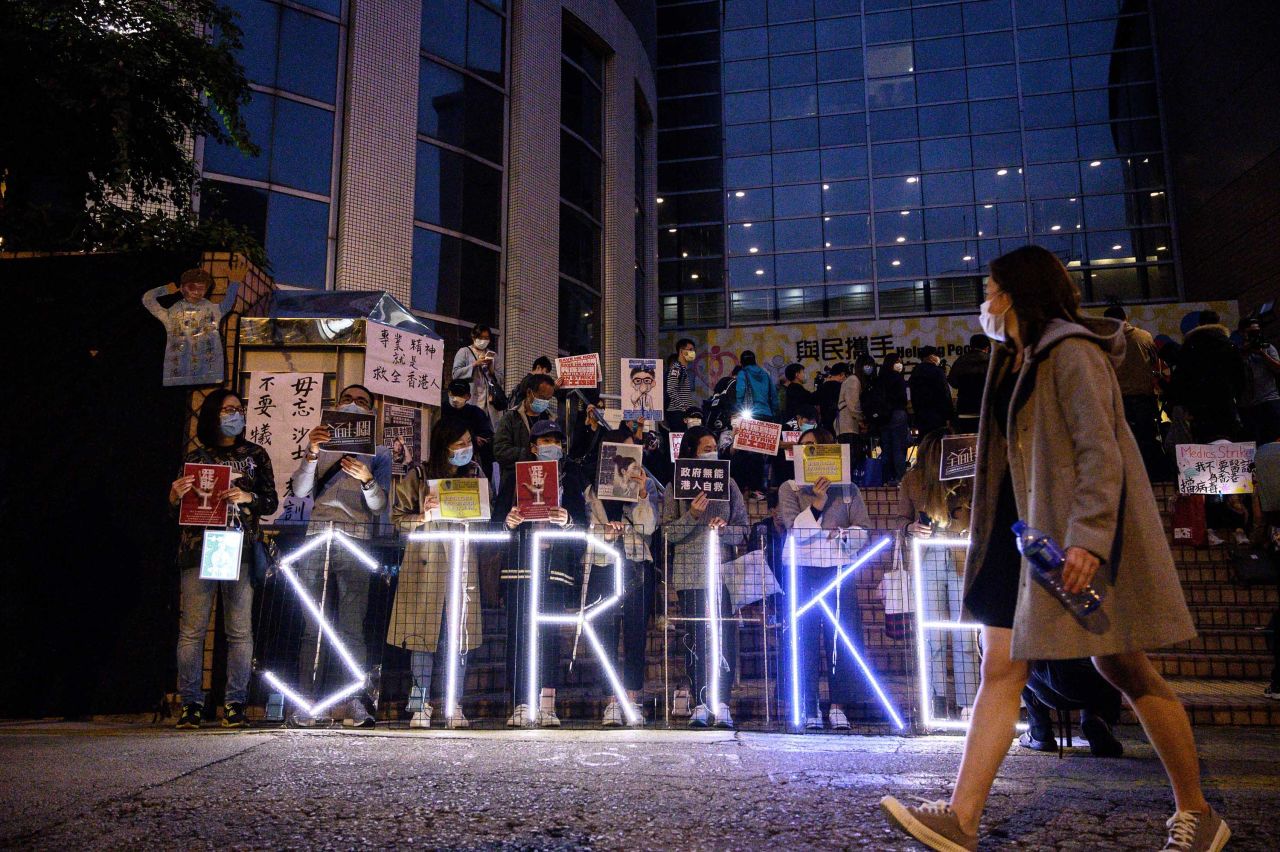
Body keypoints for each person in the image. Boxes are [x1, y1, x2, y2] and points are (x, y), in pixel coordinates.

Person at [882, 245, 1227, 852]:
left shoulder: (1070, 352)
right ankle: (961, 821)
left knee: (1125, 668)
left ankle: (1198, 813)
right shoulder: (1011, 360)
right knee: (1001, 669)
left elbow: (1101, 451)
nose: (984, 304)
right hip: (1021, 537)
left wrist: (1090, 538)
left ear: (1015, 293)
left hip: (1069, 540)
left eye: (990, 291)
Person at [169, 389, 278, 729]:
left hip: (239, 546)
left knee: (239, 631)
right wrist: (175, 496)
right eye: (229, 409)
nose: (236, 414)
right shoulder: (196, 454)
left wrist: (249, 496)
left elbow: (271, 502)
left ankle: (235, 704)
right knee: (192, 631)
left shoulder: (255, 454)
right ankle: (190, 704)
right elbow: (178, 510)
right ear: (214, 414)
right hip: (198, 547)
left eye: (239, 409)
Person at [288, 384, 394, 727]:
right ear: (335, 406)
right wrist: (312, 452)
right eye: (347, 400)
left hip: (356, 540)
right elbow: (301, 490)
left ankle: (354, 701)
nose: (354, 405)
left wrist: (367, 480)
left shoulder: (379, 452)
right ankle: (307, 702)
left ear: (372, 412)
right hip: (317, 536)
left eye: (362, 402)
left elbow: (380, 506)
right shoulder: (320, 442)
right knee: (312, 625)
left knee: (352, 625)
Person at [387, 419, 487, 728]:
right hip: (425, 561)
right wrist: (422, 515)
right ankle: (420, 704)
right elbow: (397, 519)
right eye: (458, 444)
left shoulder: (475, 475)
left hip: (461, 564)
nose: (465, 449)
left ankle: (453, 702)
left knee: (459, 637)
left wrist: (476, 513)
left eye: (467, 443)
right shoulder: (418, 475)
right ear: (443, 446)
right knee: (421, 637)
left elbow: (484, 520)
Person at [778, 426, 873, 730]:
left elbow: (863, 530)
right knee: (804, 637)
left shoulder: (849, 490)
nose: (810, 453)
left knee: (840, 638)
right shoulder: (790, 488)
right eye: (805, 448)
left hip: (838, 570)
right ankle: (807, 706)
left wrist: (844, 534)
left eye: (817, 447)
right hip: (803, 570)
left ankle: (838, 706)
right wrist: (817, 504)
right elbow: (797, 531)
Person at [502, 420, 588, 727]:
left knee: (550, 634)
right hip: (520, 565)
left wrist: (567, 520)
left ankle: (547, 702)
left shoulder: (571, 477)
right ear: (533, 446)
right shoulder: (514, 476)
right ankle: (521, 703)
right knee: (519, 634)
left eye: (556, 440)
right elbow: (496, 521)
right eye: (544, 440)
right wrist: (509, 522)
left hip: (556, 565)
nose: (551, 446)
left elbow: (583, 522)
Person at [663, 426, 749, 728]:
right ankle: (700, 701)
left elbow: (744, 528)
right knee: (696, 639)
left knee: (724, 638)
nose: (712, 451)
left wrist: (723, 529)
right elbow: (668, 533)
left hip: (722, 574)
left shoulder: (730, 484)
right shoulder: (676, 486)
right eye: (705, 447)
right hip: (689, 575)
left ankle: (722, 701)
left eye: (714, 446)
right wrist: (693, 517)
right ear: (691, 453)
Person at [895, 428, 978, 722]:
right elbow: (900, 519)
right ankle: (936, 696)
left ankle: (967, 700)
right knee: (932, 634)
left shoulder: (966, 477)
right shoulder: (913, 480)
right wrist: (909, 529)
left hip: (960, 553)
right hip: (929, 554)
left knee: (965, 631)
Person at [583, 428, 658, 726]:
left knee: (636, 633)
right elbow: (588, 529)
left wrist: (641, 495)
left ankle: (632, 697)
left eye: (632, 450)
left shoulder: (642, 486)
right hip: (604, 564)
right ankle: (611, 700)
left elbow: (649, 527)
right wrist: (607, 532)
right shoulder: (591, 490)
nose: (628, 456)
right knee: (606, 634)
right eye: (620, 449)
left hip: (636, 565)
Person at [141, 263, 241, 387]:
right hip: (178, 373)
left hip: (208, 372)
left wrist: (235, 283)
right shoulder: (172, 313)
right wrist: (165, 290)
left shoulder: (212, 309)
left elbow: (227, 304)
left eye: (201, 288)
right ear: (182, 288)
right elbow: (147, 299)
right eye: (191, 287)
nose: (196, 292)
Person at [1019, 658, 1125, 758]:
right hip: (1097, 682)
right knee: (1108, 660)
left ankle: (1040, 732)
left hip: (1052, 686)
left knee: (1019, 658)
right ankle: (1096, 717)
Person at [1169, 310, 1247, 443]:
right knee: (1228, 440)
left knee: (1204, 442)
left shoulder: (1190, 346)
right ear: (1218, 323)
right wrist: (1237, 397)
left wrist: (1184, 404)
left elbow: (1180, 378)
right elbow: (1240, 375)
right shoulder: (1228, 345)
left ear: (1199, 324)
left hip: (1199, 406)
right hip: (1225, 401)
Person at [1103, 306, 1164, 477]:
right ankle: (1150, 475)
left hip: (1117, 399)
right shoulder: (1144, 336)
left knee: (1120, 441)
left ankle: (1127, 477)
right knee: (1147, 438)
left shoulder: (1104, 342)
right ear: (1126, 318)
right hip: (1143, 396)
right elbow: (1155, 363)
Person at [493, 373, 556, 520]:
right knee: (514, 524)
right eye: (541, 397)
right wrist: (528, 453)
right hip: (513, 486)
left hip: (544, 486)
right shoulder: (511, 418)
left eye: (548, 399)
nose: (545, 402)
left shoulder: (551, 419)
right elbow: (499, 450)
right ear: (529, 393)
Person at [1237, 316, 1280, 445]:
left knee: (1274, 441)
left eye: (1256, 332)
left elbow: (1278, 368)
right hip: (1247, 405)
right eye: (1250, 332)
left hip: (1269, 399)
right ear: (1242, 333)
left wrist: (1262, 354)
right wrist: (1244, 352)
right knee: (1254, 443)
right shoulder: (1238, 351)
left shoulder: (1267, 347)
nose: (1254, 335)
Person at [451, 323, 504, 423]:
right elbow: (455, 374)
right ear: (473, 336)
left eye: (487, 338)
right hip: (470, 400)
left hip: (489, 403)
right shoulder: (464, 352)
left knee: (487, 431)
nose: (484, 340)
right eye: (481, 337)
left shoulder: (493, 355)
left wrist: (491, 369)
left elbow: (501, 379)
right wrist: (475, 364)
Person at [442, 379, 495, 475]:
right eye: (454, 394)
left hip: (471, 459)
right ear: (449, 393)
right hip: (444, 461)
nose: (456, 398)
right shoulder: (440, 410)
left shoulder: (476, 413)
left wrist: (473, 440)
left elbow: (486, 437)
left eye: (461, 395)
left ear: (468, 396)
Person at [875, 352, 910, 486]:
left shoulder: (879, 378)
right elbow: (903, 399)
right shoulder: (898, 378)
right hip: (897, 414)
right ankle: (900, 477)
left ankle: (886, 478)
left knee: (886, 448)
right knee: (899, 447)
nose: (900, 364)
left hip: (883, 417)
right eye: (897, 361)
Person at [909, 346, 956, 437]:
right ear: (930, 356)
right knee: (937, 442)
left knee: (925, 441)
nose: (938, 358)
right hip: (937, 416)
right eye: (937, 355)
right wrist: (950, 415)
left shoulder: (915, 372)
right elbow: (945, 394)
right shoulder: (937, 372)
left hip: (921, 415)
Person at [948, 335, 990, 434]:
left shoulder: (960, 361)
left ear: (970, 346)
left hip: (965, 408)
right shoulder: (991, 360)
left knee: (967, 443)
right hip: (987, 409)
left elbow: (953, 382)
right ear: (987, 348)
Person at [735, 349, 779, 422]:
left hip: (749, 414)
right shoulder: (765, 374)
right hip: (767, 413)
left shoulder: (742, 373)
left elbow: (740, 391)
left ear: (742, 362)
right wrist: (774, 411)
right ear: (754, 360)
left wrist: (739, 408)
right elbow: (773, 394)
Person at [665, 338, 699, 431]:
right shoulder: (676, 368)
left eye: (693, 350)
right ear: (681, 351)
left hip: (682, 413)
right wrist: (683, 407)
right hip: (677, 413)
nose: (693, 352)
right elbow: (671, 389)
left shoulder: (682, 369)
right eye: (690, 349)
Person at [835, 361, 865, 444]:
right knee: (851, 454)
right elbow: (853, 404)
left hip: (845, 426)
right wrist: (861, 420)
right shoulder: (853, 380)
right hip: (849, 425)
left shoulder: (849, 380)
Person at [815, 362, 849, 433]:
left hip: (825, 425)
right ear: (842, 374)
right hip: (841, 425)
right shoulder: (842, 387)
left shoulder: (822, 387)